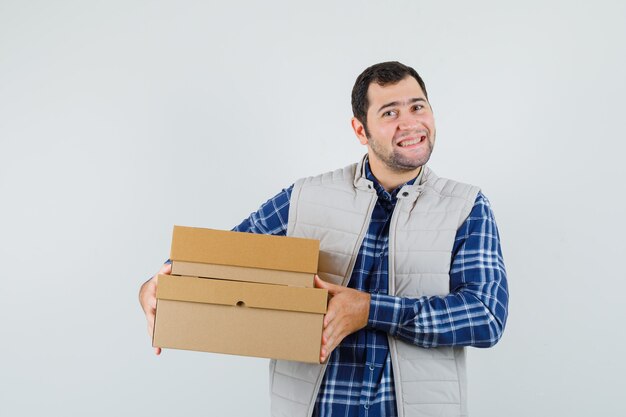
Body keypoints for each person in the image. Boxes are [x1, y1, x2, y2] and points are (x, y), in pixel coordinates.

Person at [139, 61, 509, 417]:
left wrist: (370, 310)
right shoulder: (305, 198)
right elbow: (223, 262)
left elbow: (487, 315)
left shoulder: (466, 206)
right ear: (360, 130)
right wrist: (158, 287)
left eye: (418, 107)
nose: (410, 123)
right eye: (390, 113)